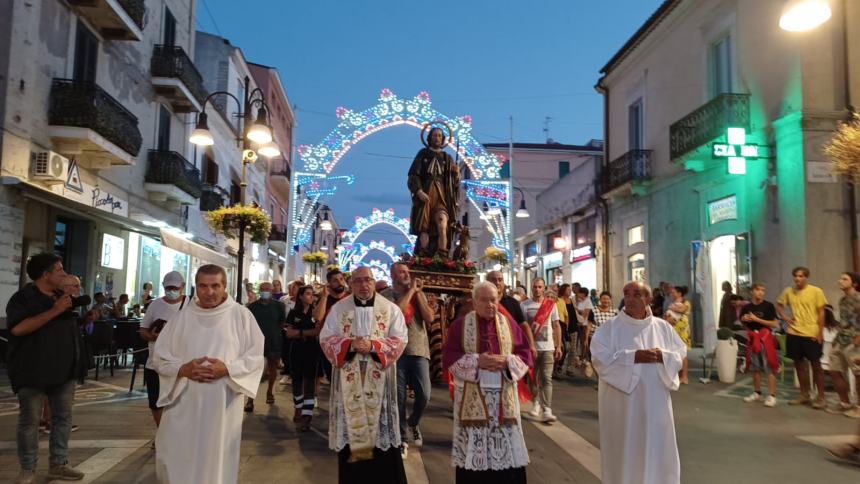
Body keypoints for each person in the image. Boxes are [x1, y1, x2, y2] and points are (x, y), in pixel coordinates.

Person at [151, 264, 264, 484]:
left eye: (215, 286)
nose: (209, 292)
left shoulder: (241, 315)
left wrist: (228, 369)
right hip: (183, 400)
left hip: (222, 401)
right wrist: (182, 369)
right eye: (203, 286)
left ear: (225, 286)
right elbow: (160, 356)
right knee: (173, 454)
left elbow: (255, 357)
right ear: (195, 286)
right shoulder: (181, 318)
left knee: (216, 458)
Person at [590, 281, 687, 484]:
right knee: (626, 450)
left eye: (637, 294)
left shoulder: (663, 328)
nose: (630, 298)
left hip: (655, 406)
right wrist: (634, 356)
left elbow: (679, 354)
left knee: (657, 449)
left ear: (649, 299)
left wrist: (663, 357)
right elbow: (600, 359)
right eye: (627, 294)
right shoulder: (609, 330)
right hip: (622, 409)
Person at [319, 266, 408, 484]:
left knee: (382, 437)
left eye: (367, 280)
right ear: (351, 284)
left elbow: (400, 339)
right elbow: (325, 338)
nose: (363, 284)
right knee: (352, 433)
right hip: (350, 384)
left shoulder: (390, 309)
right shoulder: (339, 309)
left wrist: (373, 346)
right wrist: (349, 345)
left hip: (380, 383)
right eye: (358, 281)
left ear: (374, 281)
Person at [443, 281, 532, 483]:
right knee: (475, 454)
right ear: (474, 302)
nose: (490, 304)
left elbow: (525, 355)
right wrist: (478, 361)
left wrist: (506, 361)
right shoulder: (460, 325)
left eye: (493, 300)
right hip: (473, 399)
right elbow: (449, 357)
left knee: (506, 452)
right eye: (484, 300)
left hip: (503, 400)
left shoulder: (509, 324)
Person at [7, 253, 85, 483]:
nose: (64, 273)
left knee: (62, 418)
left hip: (64, 370)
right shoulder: (23, 299)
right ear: (46, 275)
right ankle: (28, 468)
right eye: (59, 270)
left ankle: (58, 464)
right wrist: (55, 310)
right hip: (32, 370)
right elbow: (18, 329)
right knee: (29, 420)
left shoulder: (63, 296)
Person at [381, 262, 435, 457]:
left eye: (407, 272)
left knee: (425, 394)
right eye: (401, 272)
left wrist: (417, 293)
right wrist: (411, 291)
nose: (405, 274)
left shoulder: (418, 293)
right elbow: (394, 314)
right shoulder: (386, 295)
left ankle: (413, 422)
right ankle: (402, 438)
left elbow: (429, 318)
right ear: (392, 275)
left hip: (419, 350)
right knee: (399, 398)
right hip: (396, 352)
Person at [139, 271, 188, 437]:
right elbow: (143, 331)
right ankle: (163, 434)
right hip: (156, 362)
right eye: (168, 288)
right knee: (156, 402)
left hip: (182, 363)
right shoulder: (155, 305)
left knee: (180, 401)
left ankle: (177, 435)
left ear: (183, 287)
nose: (171, 291)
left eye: (175, 288)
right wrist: (154, 336)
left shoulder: (192, 305)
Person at [776, 266, 828, 409]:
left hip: (811, 332)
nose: (798, 279)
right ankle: (804, 394)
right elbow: (779, 305)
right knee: (798, 365)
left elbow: (822, 312)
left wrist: (820, 332)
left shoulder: (816, 291)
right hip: (794, 332)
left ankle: (821, 396)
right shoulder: (788, 291)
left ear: (806, 277)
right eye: (796, 276)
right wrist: (785, 317)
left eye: (801, 276)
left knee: (816, 365)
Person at [408, 125, 461, 256]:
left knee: (443, 223)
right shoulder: (423, 153)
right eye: (434, 135)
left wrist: (456, 174)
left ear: (443, 139)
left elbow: (453, 182)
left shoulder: (447, 158)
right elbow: (413, 175)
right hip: (426, 194)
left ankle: (443, 255)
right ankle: (423, 254)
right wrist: (419, 191)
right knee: (424, 227)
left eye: (439, 136)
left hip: (442, 196)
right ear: (429, 138)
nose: (437, 138)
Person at [521, 277, 562, 423]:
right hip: (532, 348)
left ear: (544, 288)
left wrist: (558, 345)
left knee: (546, 378)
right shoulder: (524, 305)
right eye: (535, 287)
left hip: (548, 348)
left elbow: (556, 325)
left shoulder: (551, 305)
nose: (537, 289)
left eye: (540, 287)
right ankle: (536, 402)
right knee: (533, 378)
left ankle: (547, 409)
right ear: (531, 288)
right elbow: (522, 327)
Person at [245, 281, 287, 412]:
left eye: (267, 289)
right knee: (254, 370)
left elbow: (281, 322)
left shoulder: (279, 306)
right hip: (256, 342)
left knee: (272, 367)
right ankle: (250, 399)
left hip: (273, 341)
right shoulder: (252, 307)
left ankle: (270, 392)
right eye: (263, 289)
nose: (265, 291)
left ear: (272, 291)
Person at [285, 285, 322, 431]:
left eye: (312, 294)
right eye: (307, 294)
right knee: (296, 382)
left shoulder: (315, 314)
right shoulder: (293, 313)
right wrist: (307, 332)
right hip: (296, 350)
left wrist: (299, 332)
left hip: (312, 351)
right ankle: (298, 408)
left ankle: (307, 416)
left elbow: (317, 332)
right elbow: (288, 333)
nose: (310, 297)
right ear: (300, 296)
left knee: (309, 383)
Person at [825, 272, 860, 417]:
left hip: (854, 341)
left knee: (858, 374)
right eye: (840, 278)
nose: (840, 281)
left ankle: (858, 407)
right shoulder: (842, 300)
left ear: (854, 284)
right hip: (840, 340)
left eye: (845, 279)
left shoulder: (858, 299)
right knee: (834, 370)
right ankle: (845, 403)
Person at [739, 283, 780, 407]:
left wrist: (757, 320)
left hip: (765, 338)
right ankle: (757, 392)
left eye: (763, 290)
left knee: (769, 367)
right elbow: (743, 322)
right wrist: (745, 320)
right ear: (752, 291)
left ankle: (772, 395)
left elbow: (775, 324)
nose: (761, 292)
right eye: (758, 290)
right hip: (753, 339)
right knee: (754, 367)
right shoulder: (747, 307)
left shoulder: (768, 306)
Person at [486, 270, 537, 358]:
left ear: (503, 283)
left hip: (509, 351)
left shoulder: (513, 302)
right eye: (493, 280)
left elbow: (524, 325)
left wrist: (531, 345)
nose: (497, 283)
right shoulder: (481, 302)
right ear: (487, 282)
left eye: (500, 280)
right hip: (487, 350)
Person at [665, 285, 692, 384]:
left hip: (682, 332)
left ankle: (684, 377)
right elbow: (668, 315)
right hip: (673, 331)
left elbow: (681, 310)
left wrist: (672, 308)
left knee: (683, 354)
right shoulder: (673, 304)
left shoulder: (686, 303)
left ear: (680, 293)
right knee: (675, 353)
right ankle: (677, 375)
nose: (672, 294)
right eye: (671, 292)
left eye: (674, 292)